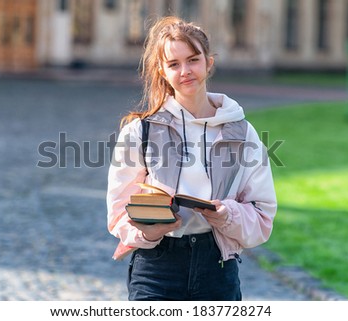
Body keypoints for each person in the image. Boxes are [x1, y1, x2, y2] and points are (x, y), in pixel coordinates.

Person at [107, 16, 277, 301]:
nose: (185, 71)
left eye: (193, 60)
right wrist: (150, 233)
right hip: (156, 267)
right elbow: (118, 213)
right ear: (161, 71)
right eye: (174, 64)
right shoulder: (141, 131)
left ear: (209, 63)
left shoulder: (242, 132)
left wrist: (226, 216)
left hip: (217, 267)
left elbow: (262, 216)